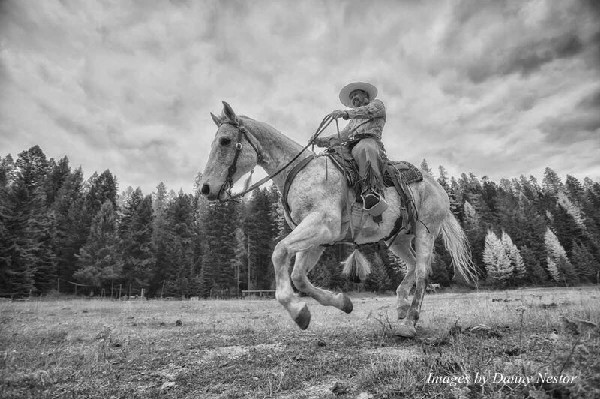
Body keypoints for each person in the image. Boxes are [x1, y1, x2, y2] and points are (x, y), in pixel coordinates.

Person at [314, 82, 388, 215]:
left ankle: (371, 191)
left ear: (365, 95)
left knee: (364, 148)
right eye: (352, 96)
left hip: (370, 141)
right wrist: (321, 141)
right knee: (330, 157)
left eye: (356, 94)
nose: (353, 98)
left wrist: (345, 113)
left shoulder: (377, 105)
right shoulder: (353, 122)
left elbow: (367, 111)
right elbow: (342, 136)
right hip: (350, 146)